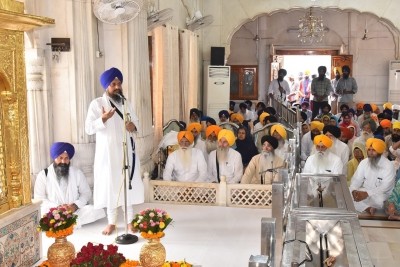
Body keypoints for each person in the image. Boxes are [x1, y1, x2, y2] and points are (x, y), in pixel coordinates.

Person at [85, 67, 144, 235]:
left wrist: (133, 126)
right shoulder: (97, 104)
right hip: (108, 154)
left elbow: (136, 122)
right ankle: (111, 222)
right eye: (113, 84)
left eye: (119, 83)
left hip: (127, 152)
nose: (117, 86)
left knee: (128, 185)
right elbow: (89, 128)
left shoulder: (126, 103)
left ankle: (129, 221)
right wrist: (103, 119)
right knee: (111, 185)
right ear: (106, 86)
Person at [34, 142, 106, 227]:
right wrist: (58, 208)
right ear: (54, 158)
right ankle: (68, 222)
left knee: (95, 210)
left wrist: (74, 206)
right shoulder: (43, 175)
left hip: (74, 211)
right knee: (41, 214)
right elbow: (39, 199)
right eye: (60, 158)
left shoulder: (76, 172)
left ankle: (62, 223)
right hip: (53, 211)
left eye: (66, 158)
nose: (63, 161)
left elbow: (86, 193)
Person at [349, 138, 396, 215]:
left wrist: (367, 193)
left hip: (381, 194)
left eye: (373, 150)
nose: (370, 152)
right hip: (365, 191)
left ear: (380, 152)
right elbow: (356, 179)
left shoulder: (388, 165)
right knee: (348, 193)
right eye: (369, 150)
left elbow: (385, 187)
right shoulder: (364, 162)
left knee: (380, 201)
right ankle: (367, 208)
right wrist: (354, 190)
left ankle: (364, 207)